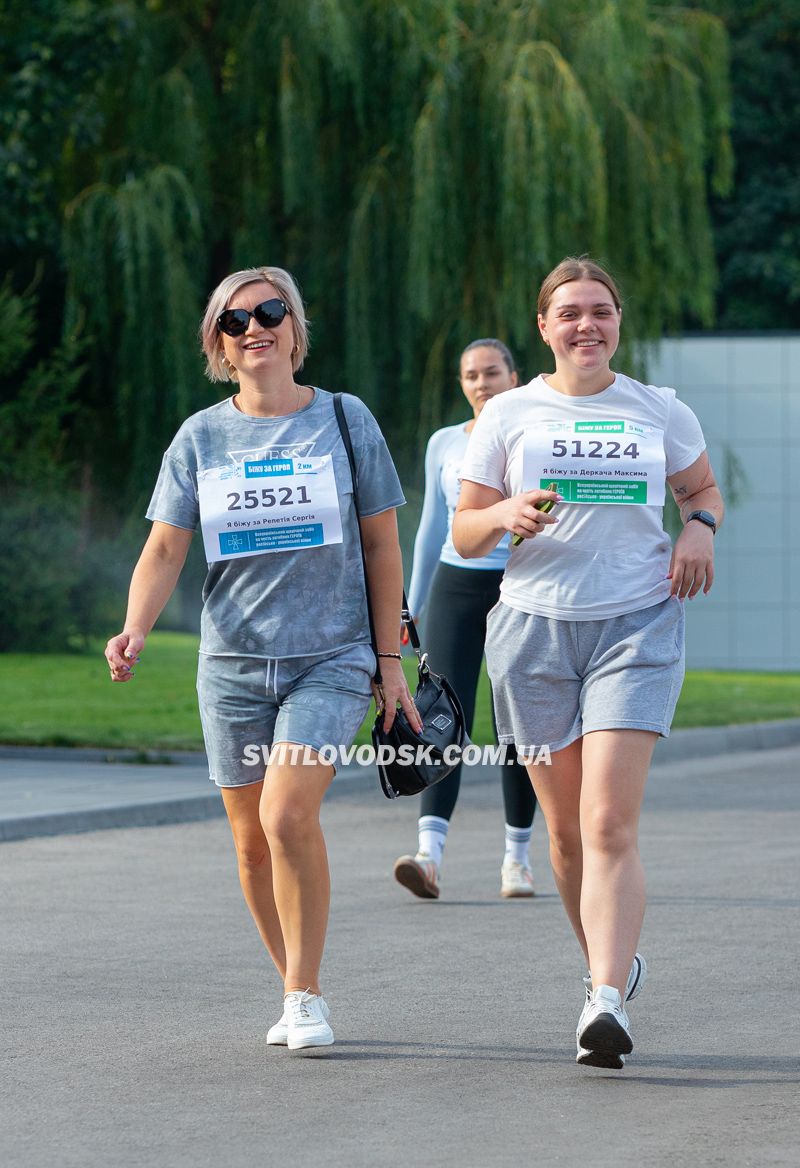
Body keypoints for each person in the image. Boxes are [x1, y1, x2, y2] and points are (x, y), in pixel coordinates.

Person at [105, 266, 419, 1051]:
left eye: (271, 312)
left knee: (286, 814)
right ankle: (294, 987)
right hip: (234, 665)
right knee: (249, 840)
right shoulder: (201, 438)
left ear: (294, 327)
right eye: (237, 320)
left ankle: (305, 996)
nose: (257, 328)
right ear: (219, 340)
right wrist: (135, 628)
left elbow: (383, 546)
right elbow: (166, 547)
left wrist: (388, 661)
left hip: (332, 658)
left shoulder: (345, 420)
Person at [453, 256, 723, 1069]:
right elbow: (464, 534)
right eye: (569, 313)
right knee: (566, 836)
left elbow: (701, 489)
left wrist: (701, 528)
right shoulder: (508, 412)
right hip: (533, 631)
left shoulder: (658, 409)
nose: (586, 325)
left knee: (608, 823)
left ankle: (605, 999)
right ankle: (607, 962)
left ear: (617, 321)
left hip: (635, 625)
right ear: (544, 326)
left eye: (600, 311)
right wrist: (503, 510)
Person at [392, 339, 538, 902]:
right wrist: (412, 607)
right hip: (455, 585)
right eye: (472, 375)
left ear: (514, 377)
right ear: (463, 384)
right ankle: (428, 857)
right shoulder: (444, 443)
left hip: (519, 585)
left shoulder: (535, 435)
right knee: (441, 713)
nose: (482, 383)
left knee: (517, 724)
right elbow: (433, 526)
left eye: (492, 373)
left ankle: (517, 860)